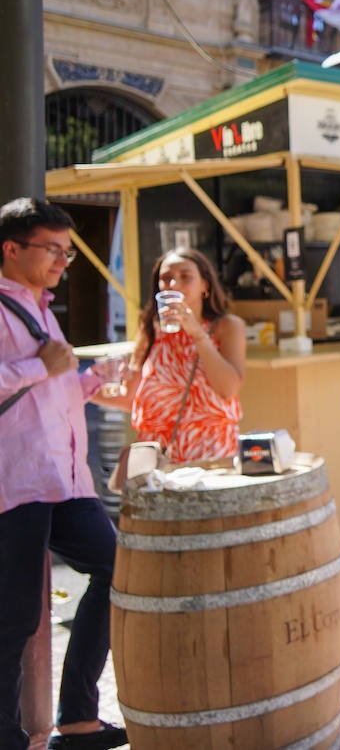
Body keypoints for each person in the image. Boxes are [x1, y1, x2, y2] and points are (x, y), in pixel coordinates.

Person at [0, 197, 127, 750]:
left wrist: (91, 379)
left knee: (120, 570)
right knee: (14, 620)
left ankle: (77, 720)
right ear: (12, 248)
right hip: (16, 483)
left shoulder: (42, 308)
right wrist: (40, 366)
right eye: (53, 249)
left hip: (63, 481)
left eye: (66, 253)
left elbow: (44, 400)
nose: (61, 261)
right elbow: (29, 380)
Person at [102, 249, 245, 463]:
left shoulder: (225, 327)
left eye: (185, 277)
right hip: (158, 457)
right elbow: (129, 397)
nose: (173, 285)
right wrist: (85, 386)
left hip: (210, 453)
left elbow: (228, 389)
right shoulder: (150, 330)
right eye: (166, 278)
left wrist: (197, 333)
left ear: (205, 285)